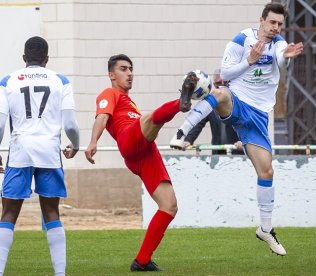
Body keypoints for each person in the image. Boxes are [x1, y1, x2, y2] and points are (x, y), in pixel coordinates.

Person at [170, 2, 303, 256]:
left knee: (266, 170)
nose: (276, 28)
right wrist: (250, 60)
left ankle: (265, 229)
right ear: (261, 20)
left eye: (279, 24)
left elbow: (281, 59)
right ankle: (181, 131)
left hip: (258, 117)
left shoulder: (279, 44)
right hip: (238, 101)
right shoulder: (242, 39)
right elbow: (227, 71)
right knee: (219, 92)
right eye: (272, 22)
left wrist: (286, 58)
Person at [84, 54, 196, 272]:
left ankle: (142, 261)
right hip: (129, 140)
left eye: (131, 69)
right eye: (123, 69)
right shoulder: (109, 93)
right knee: (149, 118)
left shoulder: (129, 102)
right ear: (111, 75)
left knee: (169, 206)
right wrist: (92, 142)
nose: (129, 73)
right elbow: (101, 117)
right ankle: (179, 102)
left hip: (146, 150)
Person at [0, 36, 80, 275]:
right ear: (47, 58)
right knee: (51, 212)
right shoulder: (61, 81)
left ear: (24, 58)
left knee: (9, 212)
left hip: (20, 151)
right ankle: (60, 273)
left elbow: (0, 123)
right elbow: (71, 126)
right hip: (49, 152)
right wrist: (74, 144)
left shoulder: (8, 81)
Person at [183, 69, 243, 155]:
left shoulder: (239, 101)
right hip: (218, 153)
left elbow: (249, 124)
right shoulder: (210, 104)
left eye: (225, 83)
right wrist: (188, 140)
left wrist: (244, 141)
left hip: (238, 152)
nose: (222, 86)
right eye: (218, 83)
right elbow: (199, 122)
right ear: (214, 84)